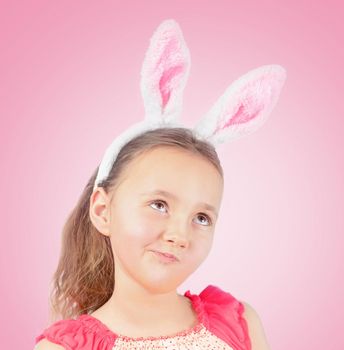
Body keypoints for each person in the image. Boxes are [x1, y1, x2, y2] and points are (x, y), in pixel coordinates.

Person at [34, 19, 286, 350]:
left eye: (201, 218)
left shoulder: (240, 324)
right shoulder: (65, 348)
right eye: (159, 205)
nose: (179, 236)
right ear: (103, 210)